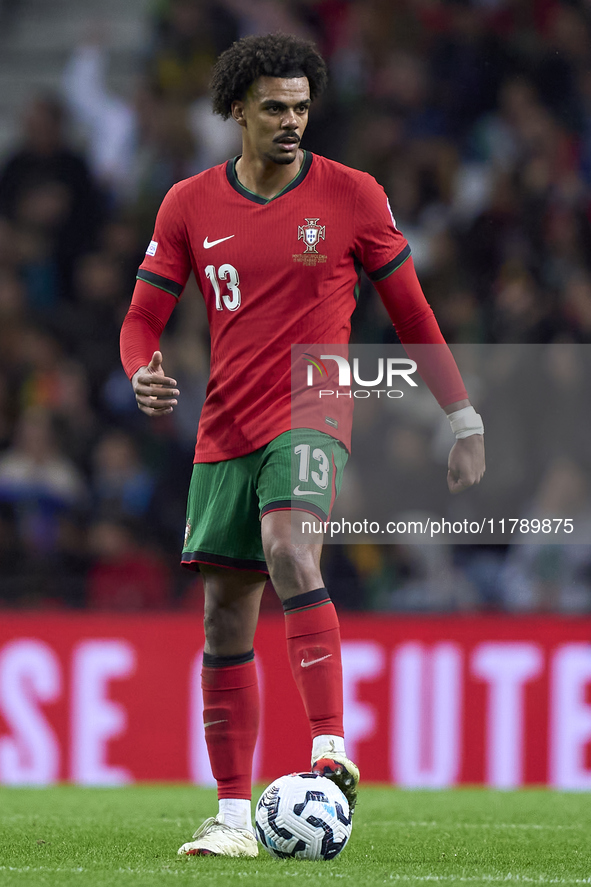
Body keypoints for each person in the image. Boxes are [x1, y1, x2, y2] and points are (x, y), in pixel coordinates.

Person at [120, 33, 485, 859]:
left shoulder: (353, 195)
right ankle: (232, 816)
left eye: (302, 107)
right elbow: (142, 317)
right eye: (275, 108)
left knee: (291, 546)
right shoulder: (186, 205)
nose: (292, 121)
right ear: (237, 111)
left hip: (313, 402)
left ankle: (329, 745)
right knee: (222, 620)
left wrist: (459, 416)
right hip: (224, 423)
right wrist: (143, 367)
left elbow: (412, 311)